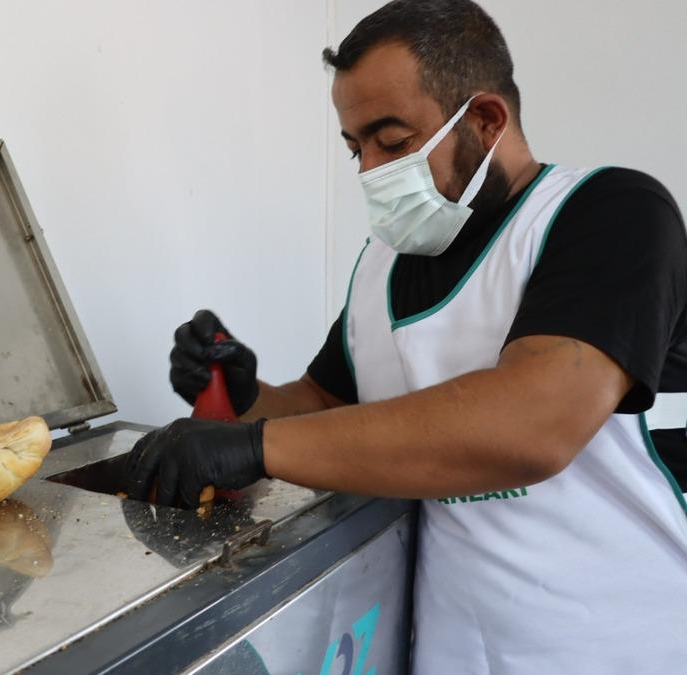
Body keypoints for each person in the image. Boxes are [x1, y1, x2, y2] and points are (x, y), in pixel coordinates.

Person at [123, 0, 687, 670]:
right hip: (454, 644)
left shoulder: (607, 214)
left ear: (486, 119)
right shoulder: (385, 264)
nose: (369, 170)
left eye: (391, 142)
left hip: (613, 644)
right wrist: (248, 397)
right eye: (354, 147)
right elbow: (328, 408)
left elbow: (533, 426)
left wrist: (256, 445)